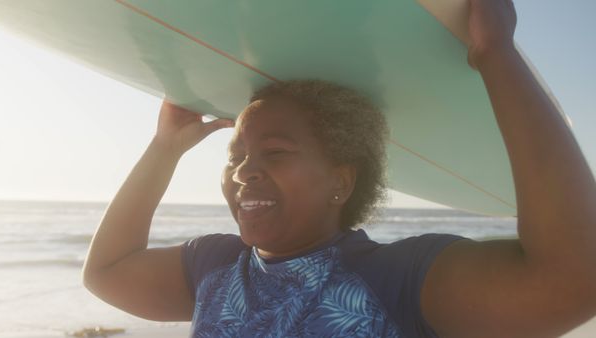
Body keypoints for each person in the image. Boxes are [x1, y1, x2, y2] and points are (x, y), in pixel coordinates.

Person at [82, 0, 596, 337]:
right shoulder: (214, 268)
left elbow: (574, 279)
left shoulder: (397, 279)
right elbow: (105, 274)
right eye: (235, 156)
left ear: (341, 181)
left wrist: (495, 55)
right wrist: (165, 147)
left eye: (275, 152)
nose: (243, 172)